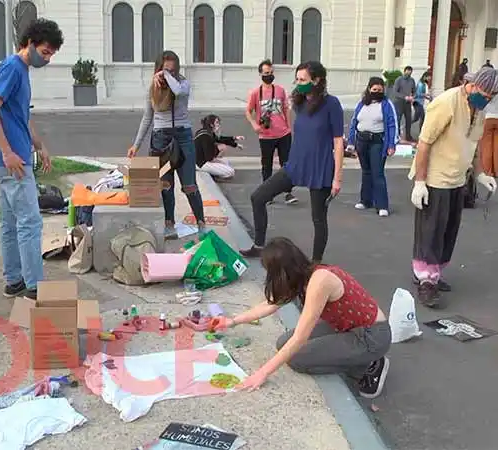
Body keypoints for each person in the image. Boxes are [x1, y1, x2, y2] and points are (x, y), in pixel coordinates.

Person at [211, 237, 391, 397]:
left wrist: (262, 373)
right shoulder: (302, 276)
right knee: (283, 344)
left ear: (280, 271)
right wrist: (232, 321)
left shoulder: (320, 281)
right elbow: (270, 304)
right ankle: (353, 356)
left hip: (371, 336)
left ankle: (368, 366)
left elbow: (300, 338)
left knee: (297, 359)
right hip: (346, 326)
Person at [0, 18, 63, 300]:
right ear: (29, 43)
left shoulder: (21, 70)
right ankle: (34, 286)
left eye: (51, 54)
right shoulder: (12, 68)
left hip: (10, 157)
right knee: (30, 222)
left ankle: (14, 280)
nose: (47, 59)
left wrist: (39, 145)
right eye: (45, 52)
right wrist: (7, 151)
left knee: (11, 222)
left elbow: (20, 116)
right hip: (11, 160)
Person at [409, 67, 498, 307]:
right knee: (431, 232)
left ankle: (434, 274)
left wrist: (480, 174)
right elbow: (424, 144)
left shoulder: (479, 110)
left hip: (458, 179)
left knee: (448, 231)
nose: (486, 100)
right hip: (435, 178)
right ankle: (425, 281)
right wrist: (420, 182)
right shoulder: (446, 103)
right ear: (473, 85)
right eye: (484, 94)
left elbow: (475, 143)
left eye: (490, 97)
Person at [239, 61, 344, 264]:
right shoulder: (299, 103)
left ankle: (316, 263)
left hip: (320, 167)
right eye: (297, 79)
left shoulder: (331, 104)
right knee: (258, 197)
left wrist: (337, 178)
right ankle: (259, 246)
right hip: (295, 165)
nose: (298, 83)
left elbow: (338, 142)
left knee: (318, 218)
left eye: (303, 80)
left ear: (317, 80)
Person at [127, 50, 206, 240]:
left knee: (189, 185)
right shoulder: (153, 89)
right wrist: (136, 145)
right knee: (165, 185)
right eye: (164, 69)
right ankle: (169, 224)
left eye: (172, 70)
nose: (168, 73)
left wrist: (164, 75)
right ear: (158, 69)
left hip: (183, 137)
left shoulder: (183, 84)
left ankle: (202, 223)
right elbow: (147, 117)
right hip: (160, 138)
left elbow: (177, 91)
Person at [245, 59, 297, 204]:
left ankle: (288, 193)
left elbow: (286, 109)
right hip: (266, 135)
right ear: (260, 74)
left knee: (286, 164)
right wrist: (254, 124)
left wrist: (289, 127)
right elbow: (248, 111)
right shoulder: (256, 93)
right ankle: (267, 194)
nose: (269, 75)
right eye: (266, 73)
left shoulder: (280, 90)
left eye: (271, 72)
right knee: (266, 165)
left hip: (283, 133)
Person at [347, 77, 399, 217]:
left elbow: (392, 124)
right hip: (361, 141)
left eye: (380, 90)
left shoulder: (387, 104)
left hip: (377, 142)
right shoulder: (362, 104)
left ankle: (382, 205)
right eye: (374, 89)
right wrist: (351, 142)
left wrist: (392, 144)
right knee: (366, 172)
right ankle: (365, 200)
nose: (377, 92)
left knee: (377, 173)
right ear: (369, 89)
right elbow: (354, 122)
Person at [194, 114, 243, 180]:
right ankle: (215, 175)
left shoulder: (206, 132)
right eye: (217, 122)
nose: (219, 124)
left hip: (202, 160)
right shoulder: (206, 136)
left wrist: (235, 140)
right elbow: (209, 158)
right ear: (211, 124)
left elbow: (221, 139)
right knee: (231, 172)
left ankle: (216, 171)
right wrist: (219, 158)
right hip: (201, 164)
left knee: (226, 162)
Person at [392, 66, 416, 143]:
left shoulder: (412, 80)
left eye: (410, 72)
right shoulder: (399, 80)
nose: (408, 73)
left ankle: (408, 136)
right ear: (404, 71)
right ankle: (397, 136)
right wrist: (404, 97)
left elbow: (414, 91)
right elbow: (395, 92)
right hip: (399, 102)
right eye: (407, 71)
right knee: (398, 119)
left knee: (408, 119)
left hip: (408, 103)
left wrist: (412, 97)